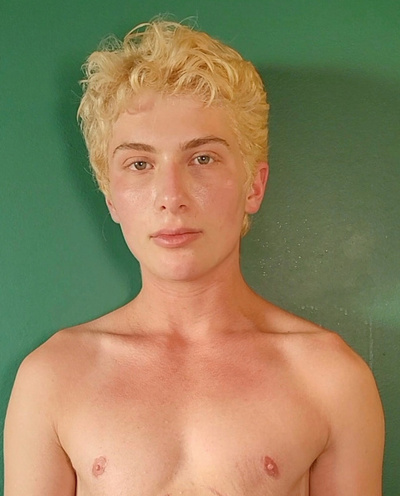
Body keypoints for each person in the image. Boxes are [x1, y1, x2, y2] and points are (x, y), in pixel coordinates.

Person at [4, 19, 384, 496]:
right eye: (139, 164)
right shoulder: (52, 379)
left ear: (254, 186)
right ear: (111, 197)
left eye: (202, 158)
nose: (171, 197)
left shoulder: (331, 379)